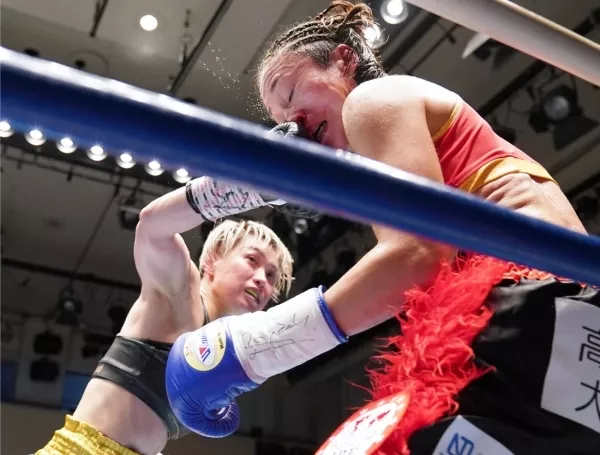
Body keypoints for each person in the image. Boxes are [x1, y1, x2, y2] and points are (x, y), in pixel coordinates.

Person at [165, 1, 600, 454]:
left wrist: (255, 348)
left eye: (291, 94)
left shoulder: (371, 101)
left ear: (343, 60)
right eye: (280, 122)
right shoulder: (406, 133)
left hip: (529, 306)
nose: (293, 123)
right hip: (567, 320)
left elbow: (418, 255)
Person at [35, 167, 296, 455]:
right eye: (252, 260)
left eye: (271, 275)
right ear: (212, 260)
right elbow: (152, 226)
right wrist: (251, 188)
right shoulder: (182, 290)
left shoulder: (223, 351)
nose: (261, 279)